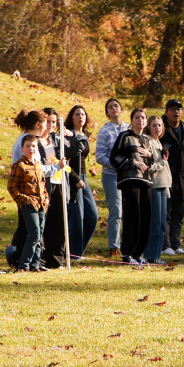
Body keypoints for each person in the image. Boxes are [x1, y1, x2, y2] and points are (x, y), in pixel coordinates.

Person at [5, 109, 64, 268]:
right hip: (27, 194)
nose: (47, 127)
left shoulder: (27, 139)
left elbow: (38, 169)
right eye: (45, 123)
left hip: (38, 196)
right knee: (31, 232)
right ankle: (22, 262)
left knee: (33, 231)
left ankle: (33, 263)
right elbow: (36, 169)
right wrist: (57, 167)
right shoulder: (27, 142)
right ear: (38, 124)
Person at [39, 107, 82, 269]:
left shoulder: (57, 138)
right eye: (48, 122)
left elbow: (77, 147)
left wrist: (74, 135)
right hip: (44, 184)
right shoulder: (34, 141)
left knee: (59, 223)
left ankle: (56, 260)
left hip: (59, 184)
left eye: (53, 122)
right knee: (44, 222)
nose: (50, 125)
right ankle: (41, 257)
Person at [111, 108, 154, 264]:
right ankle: (127, 253)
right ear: (132, 120)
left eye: (143, 118)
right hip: (130, 181)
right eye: (137, 118)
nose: (140, 120)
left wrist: (150, 156)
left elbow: (154, 162)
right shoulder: (125, 136)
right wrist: (132, 162)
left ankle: (138, 254)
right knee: (132, 216)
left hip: (146, 182)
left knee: (145, 217)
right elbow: (114, 157)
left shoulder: (148, 140)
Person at [95, 99, 130, 257]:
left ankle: (129, 244)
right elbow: (100, 156)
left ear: (121, 110)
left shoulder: (129, 128)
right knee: (116, 210)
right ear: (107, 112)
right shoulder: (105, 131)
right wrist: (116, 165)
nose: (114, 109)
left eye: (116, 106)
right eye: (110, 107)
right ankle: (114, 246)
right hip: (111, 176)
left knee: (129, 211)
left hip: (129, 176)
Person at [161, 99, 184, 256]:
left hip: (183, 179)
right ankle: (165, 244)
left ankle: (175, 244)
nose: (176, 112)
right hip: (166, 177)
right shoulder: (161, 129)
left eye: (179, 109)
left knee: (178, 214)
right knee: (166, 213)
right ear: (166, 111)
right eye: (172, 109)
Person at [65, 105, 99, 260]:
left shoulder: (85, 134)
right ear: (72, 117)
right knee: (76, 217)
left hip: (84, 177)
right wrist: (75, 179)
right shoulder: (66, 135)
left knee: (92, 215)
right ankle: (73, 253)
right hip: (72, 178)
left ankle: (77, 250)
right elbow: (63, 161)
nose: (81, 117)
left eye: (83, 115)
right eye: (77, 114)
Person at [144, 115, 171, 265]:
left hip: (163, 186)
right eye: (154, 125)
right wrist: (162, 162)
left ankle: (157, 254)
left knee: (161, 224)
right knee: (155, 223)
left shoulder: (159, 142)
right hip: (154, 186)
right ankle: (151, 254)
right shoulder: (147, 142)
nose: (157, 128)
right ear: (149, 127)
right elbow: (150, 167)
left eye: (159, 125)